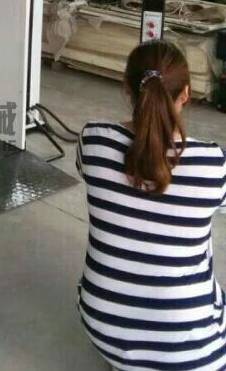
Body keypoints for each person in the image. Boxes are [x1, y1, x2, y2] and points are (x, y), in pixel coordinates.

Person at [76, 39, 226, 370]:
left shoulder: (93, 141)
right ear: (186, 94)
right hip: (191, 353)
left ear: (126, 90)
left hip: (103, 326)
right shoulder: (214, 164)